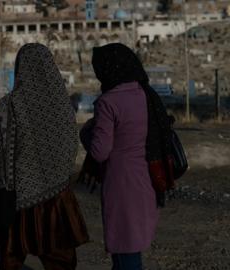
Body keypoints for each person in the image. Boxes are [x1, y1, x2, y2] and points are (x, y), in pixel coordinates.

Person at [0, 43, 89, 270]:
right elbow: (72, 144)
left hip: (18, 200)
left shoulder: (10, 104)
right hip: (57, 196)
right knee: (60, 260)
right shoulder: (62, 104)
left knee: (11, 257)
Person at [80, 43, 165, 270]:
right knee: (132, 248)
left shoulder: (109, 102)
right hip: (145, 180)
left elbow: (100, 151)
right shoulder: (145, 94)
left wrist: (86, 132)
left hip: (121, 185)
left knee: (125, 253)